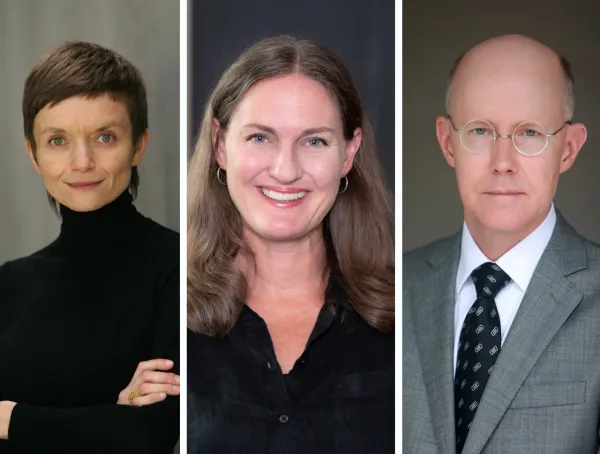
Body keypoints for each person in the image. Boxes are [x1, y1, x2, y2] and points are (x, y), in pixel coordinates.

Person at [187, 35, 395, 453]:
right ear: (220, 144)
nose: (285, 171)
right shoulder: (169, 303)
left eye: (314, 141)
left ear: (348, 153)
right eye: (260, 138)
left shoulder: (403, 313)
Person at [402, 34, 600, 454]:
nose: (502, 162)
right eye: (480, 130)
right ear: (446, 141)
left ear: (568, 149)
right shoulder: (393, 287)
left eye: (529, 133)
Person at [0, 42, 180, 453]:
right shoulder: (9, 283)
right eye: (58, 140)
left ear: (138, 145)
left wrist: (9, 417)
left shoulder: (178, 266)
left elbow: (145, 434)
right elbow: (123, 429)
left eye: (105, 136)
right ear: (34, 154)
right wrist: (111, 412)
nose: (81, 162)